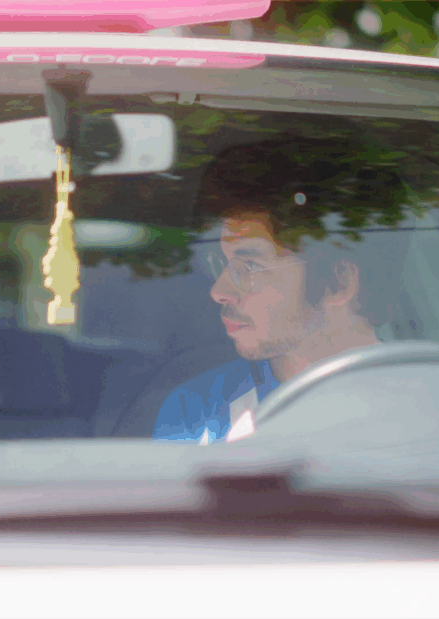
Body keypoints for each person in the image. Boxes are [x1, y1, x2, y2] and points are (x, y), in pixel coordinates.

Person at [153, 137, 410, 444]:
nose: (218, 291)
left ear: (338, 282)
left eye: (249, 266)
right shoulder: (198, 414)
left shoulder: (434, 407)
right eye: (222, 262)